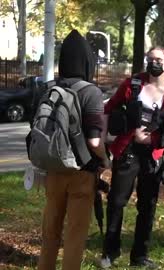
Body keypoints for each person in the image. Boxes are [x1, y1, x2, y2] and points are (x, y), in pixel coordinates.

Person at [100, 46, 164, 268]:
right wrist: (102, 141)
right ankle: (110, 252)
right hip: (127, 151)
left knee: (148, 206)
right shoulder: (132, 84)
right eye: (150, 59)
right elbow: (109, 109)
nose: (153, 63)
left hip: (153, 156)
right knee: (117, 202)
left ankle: (139, 256)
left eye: (158, 60)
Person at [37, 29, 110, 270]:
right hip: (81, 173)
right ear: (88, 61)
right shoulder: (92, 92)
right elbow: (94, 142)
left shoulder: (48, 90)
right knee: (74, 236)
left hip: (53, 169)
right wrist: (105, 162)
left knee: (50, 233)